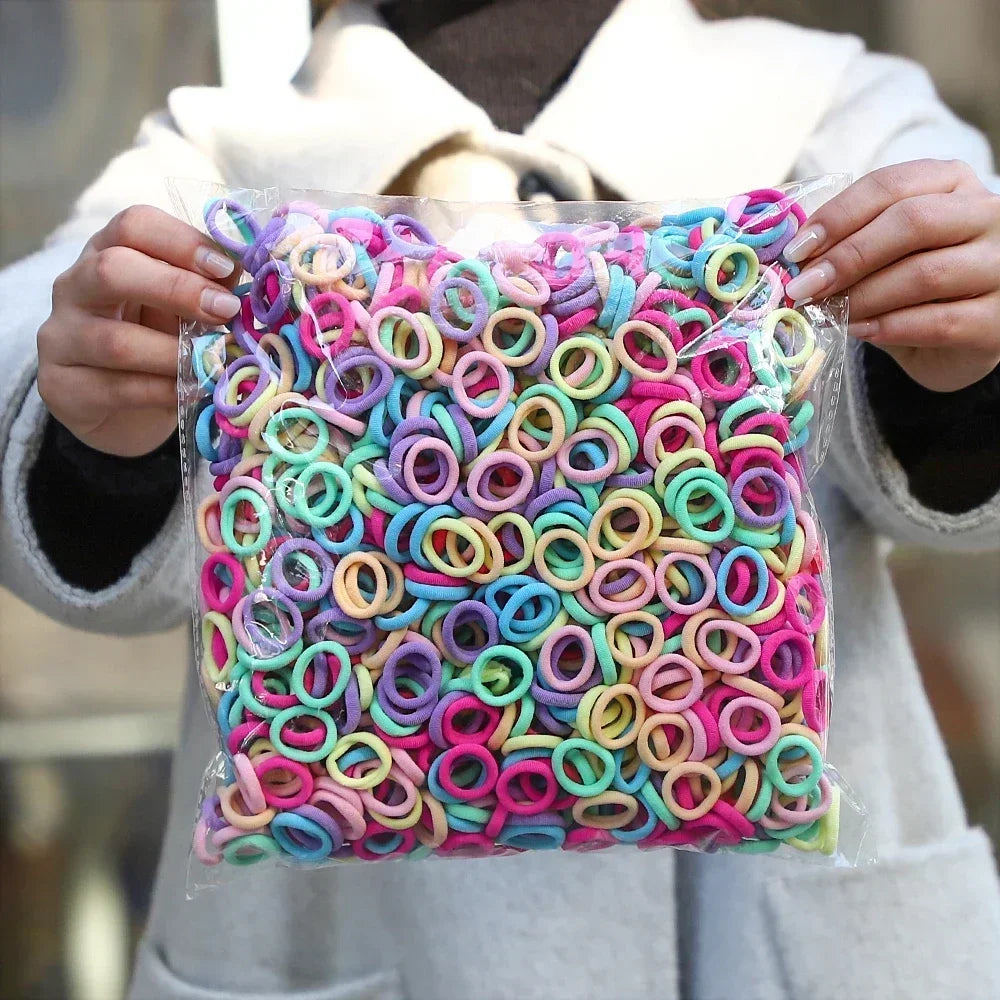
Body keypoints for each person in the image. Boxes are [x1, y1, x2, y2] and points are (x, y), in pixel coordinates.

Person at [2, 1, 999, 997]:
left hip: (778, 932)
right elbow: (34, 362)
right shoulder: (208, 162)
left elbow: (929, 451)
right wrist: (99, 432)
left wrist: (956, 367)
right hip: (339, 910)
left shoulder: (831, 113)